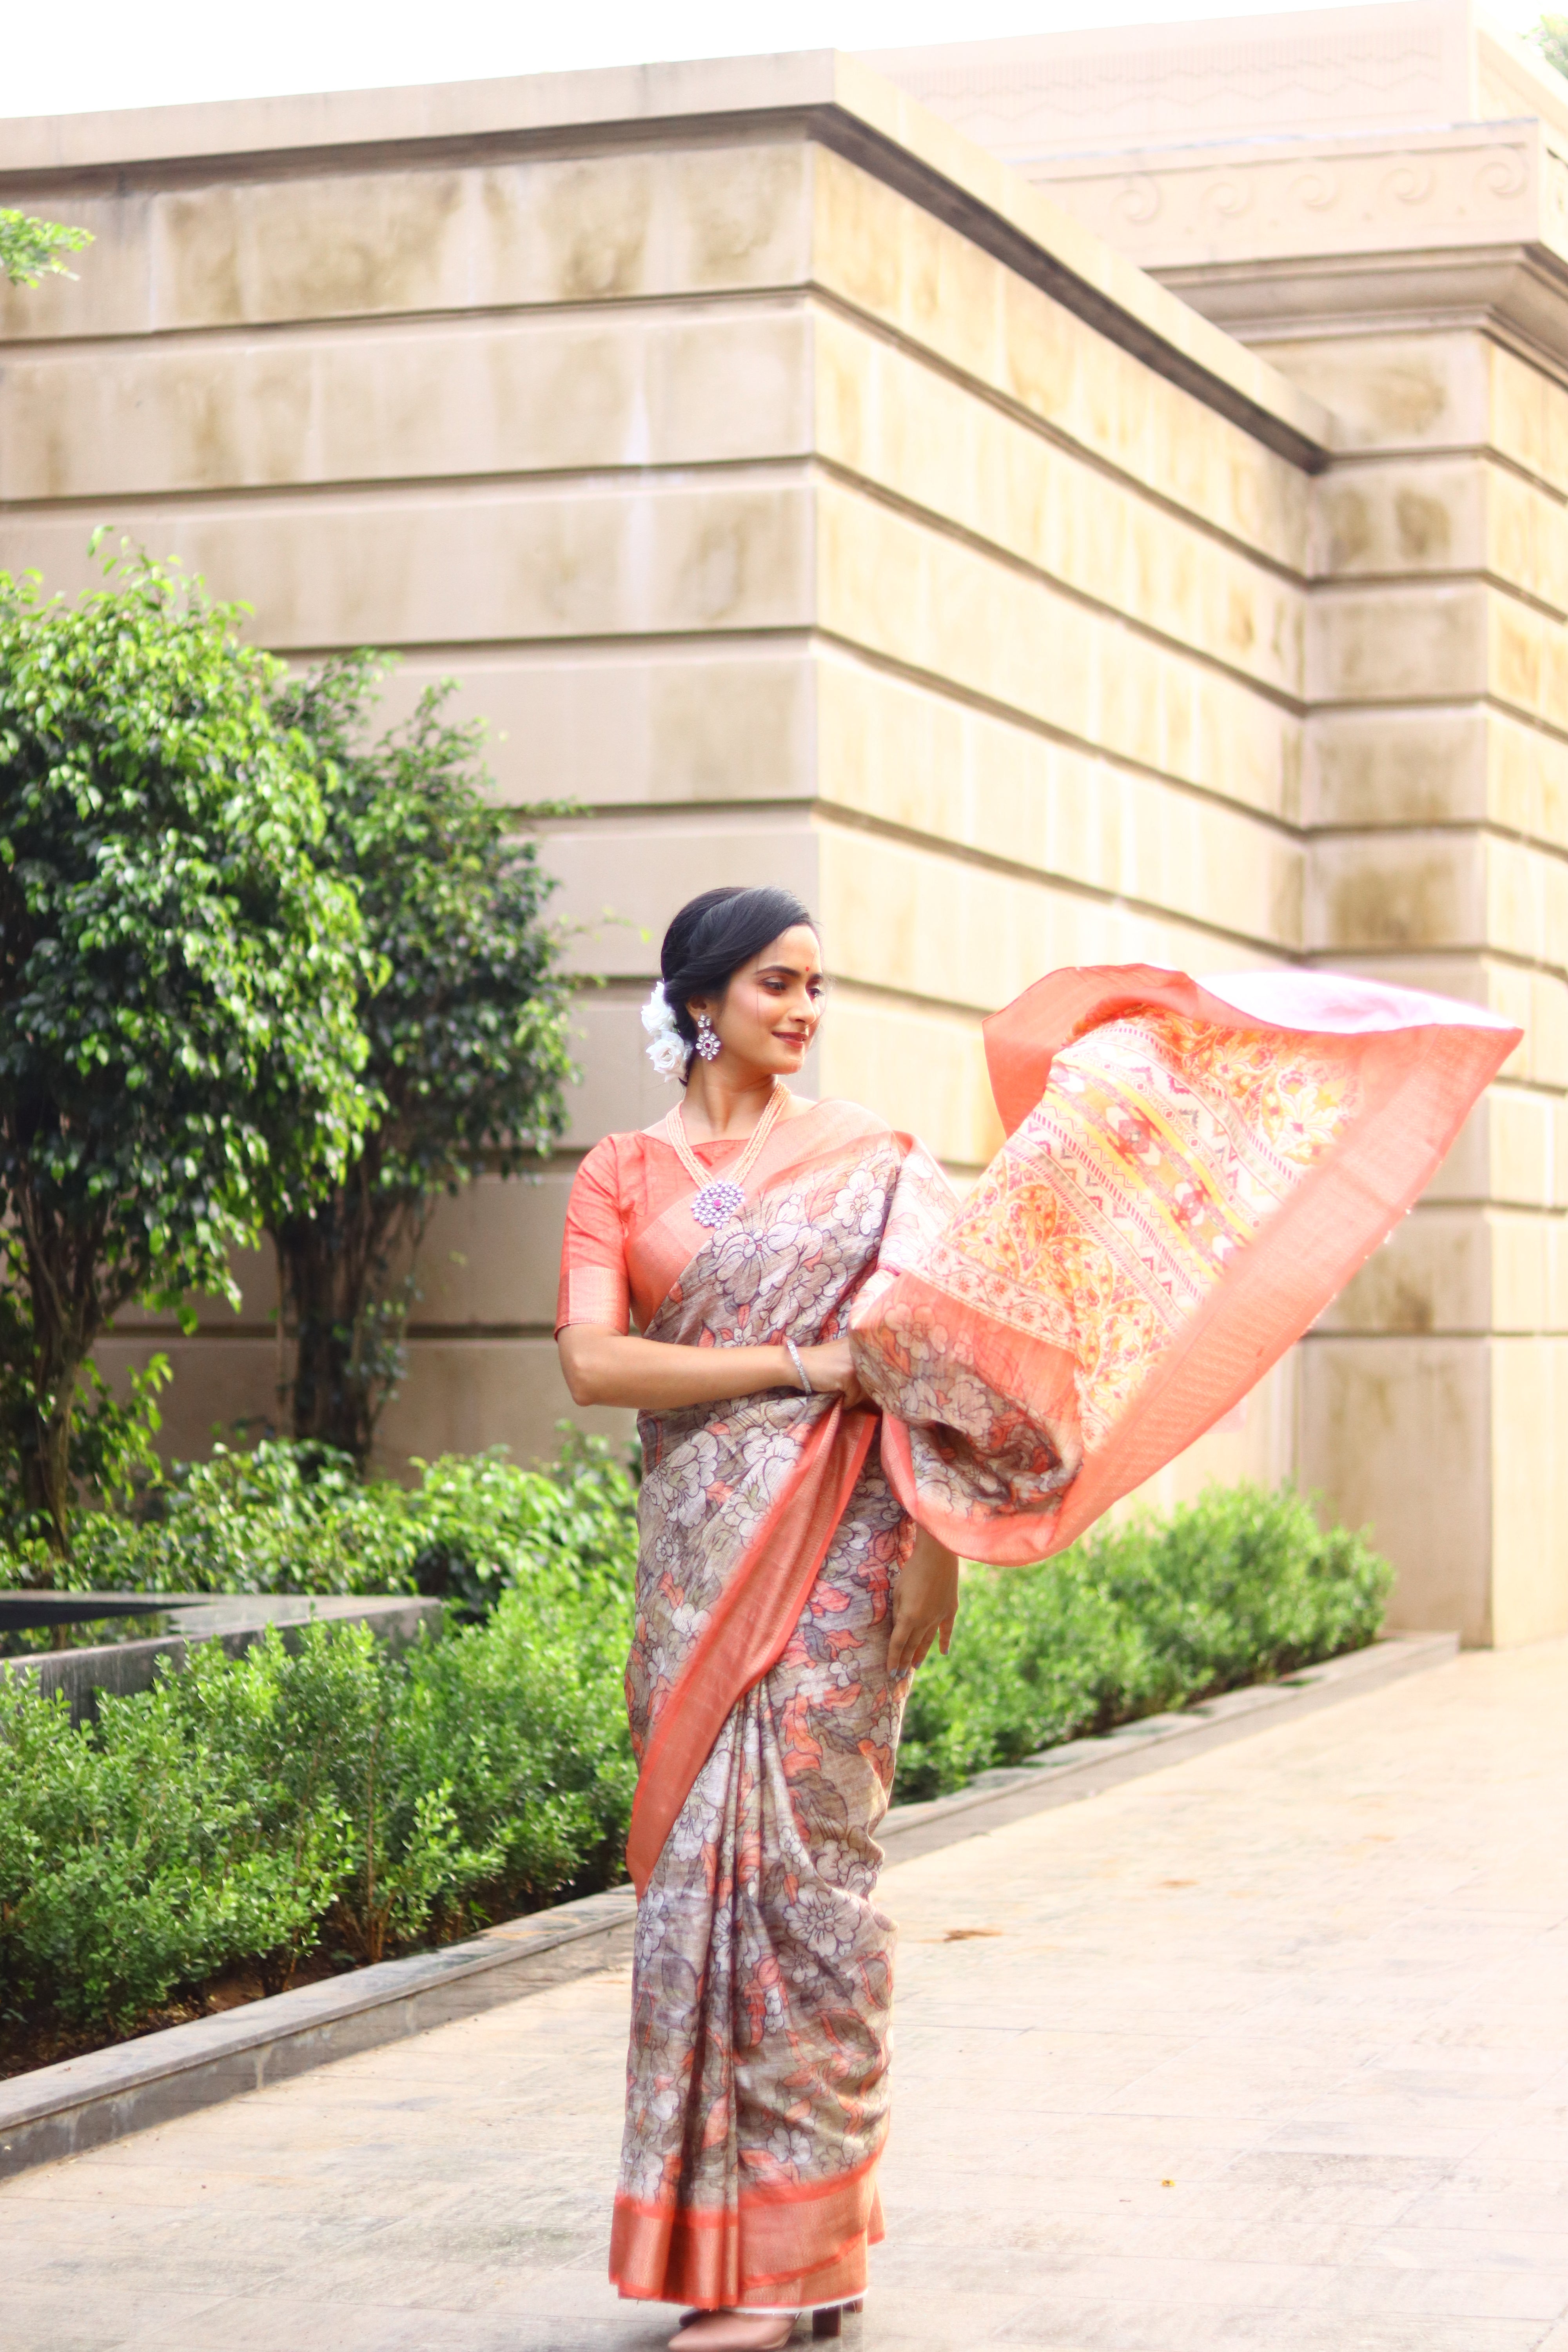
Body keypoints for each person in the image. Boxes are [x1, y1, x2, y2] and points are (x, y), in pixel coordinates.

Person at [556, 885, 962, 2350]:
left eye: (815, 986)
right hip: (694, 1567)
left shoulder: (877, 1163)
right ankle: (727, 2266)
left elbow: (924, 1355)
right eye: (777, 983)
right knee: (697, 1900)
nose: (802, 1008)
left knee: (810, 1894)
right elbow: (596, 1366)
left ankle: (804, 2267)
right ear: (702, 996)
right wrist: (798, 1361)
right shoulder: (622, 1172)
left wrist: (939, 1542)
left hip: (848, 1551)